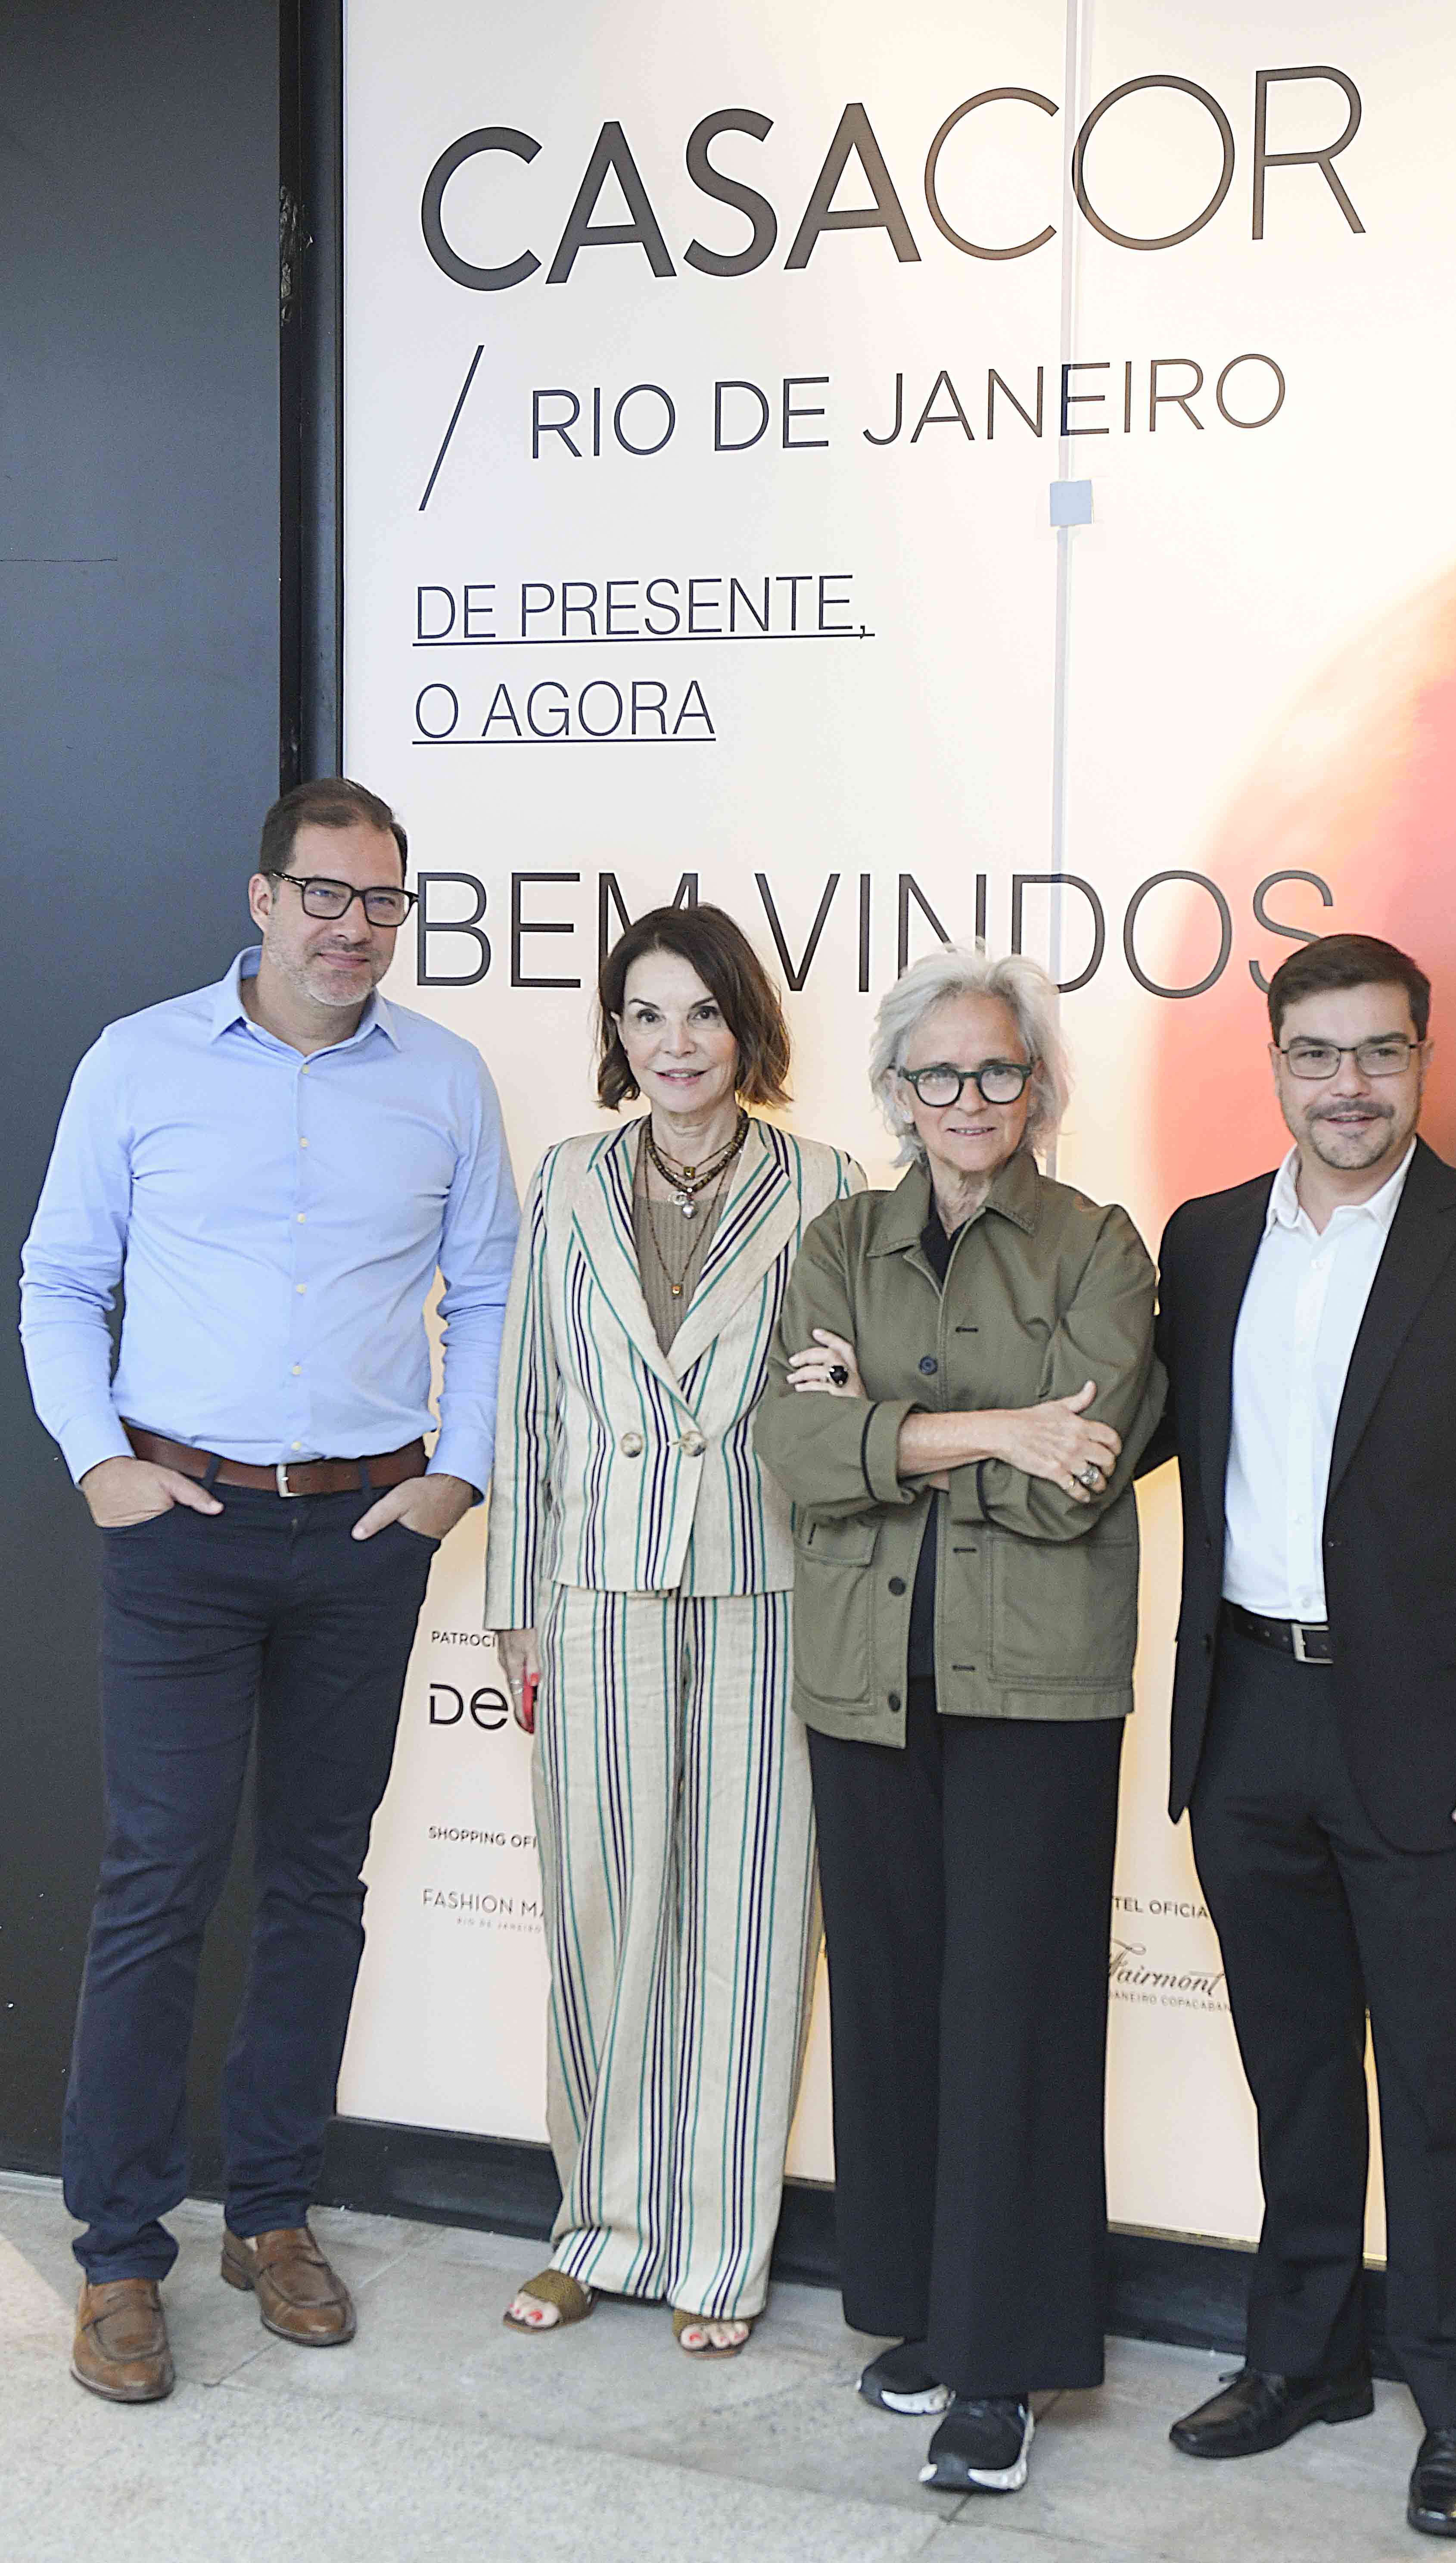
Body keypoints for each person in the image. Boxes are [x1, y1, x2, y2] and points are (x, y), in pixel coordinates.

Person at [19, 777, 518, 2405]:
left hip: (367, 1533)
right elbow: (60, 1277)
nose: (352, 928)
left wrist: (458, 1474)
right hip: (181, 1524)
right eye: (325, 895)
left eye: (382, 901)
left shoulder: (444, 1079)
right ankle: (117, 2254)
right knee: (160, 1879)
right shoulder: (139, 1059)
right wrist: (101, 1460)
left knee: (318, 1881)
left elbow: (496, 1282)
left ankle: (276, 2212)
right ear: (261, 898)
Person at [1144, 932, 1456, 2538]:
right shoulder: (1201, 1244)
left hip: (1425, 1731)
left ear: (1424, 1059)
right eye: (1318, 1054)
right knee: (1288, 2070)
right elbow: (1112, 1422)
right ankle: (1303, 2359)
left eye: (1381, 1053)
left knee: (1438, 2080)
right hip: (1248, 1710)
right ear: (1271, 1066)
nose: (1349, 1084)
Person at [754, 944, 1163, 2497]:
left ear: (1038, 1089)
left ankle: (1004, 2368)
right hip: (866, 1679)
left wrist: (885, 1430)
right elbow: (790, 1450)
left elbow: (1085, 1477)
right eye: (939, 1074)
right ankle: (925, 2312)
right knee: (899, 2002)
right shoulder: (839, 1238)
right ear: (896, 1095)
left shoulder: (1098, 1246)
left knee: (1018, 2015)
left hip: (1036, 1688)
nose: (970, 1098)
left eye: (998, 1071)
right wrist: (990, 1424)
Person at [487, 904, 861, 2355]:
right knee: (600, 1916)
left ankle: (717, 2248)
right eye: (645, 1015)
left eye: (700, 1013)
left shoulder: (827, 1180)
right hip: (592, 1588)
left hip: (769, 1583)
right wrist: (515, 1598)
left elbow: (847, 1386)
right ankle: (599, 2227)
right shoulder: (565, 1177)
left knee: (753, 1916)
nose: (673, 1043)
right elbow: (526, 1399)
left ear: (743, 1026)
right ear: (616, 1034)